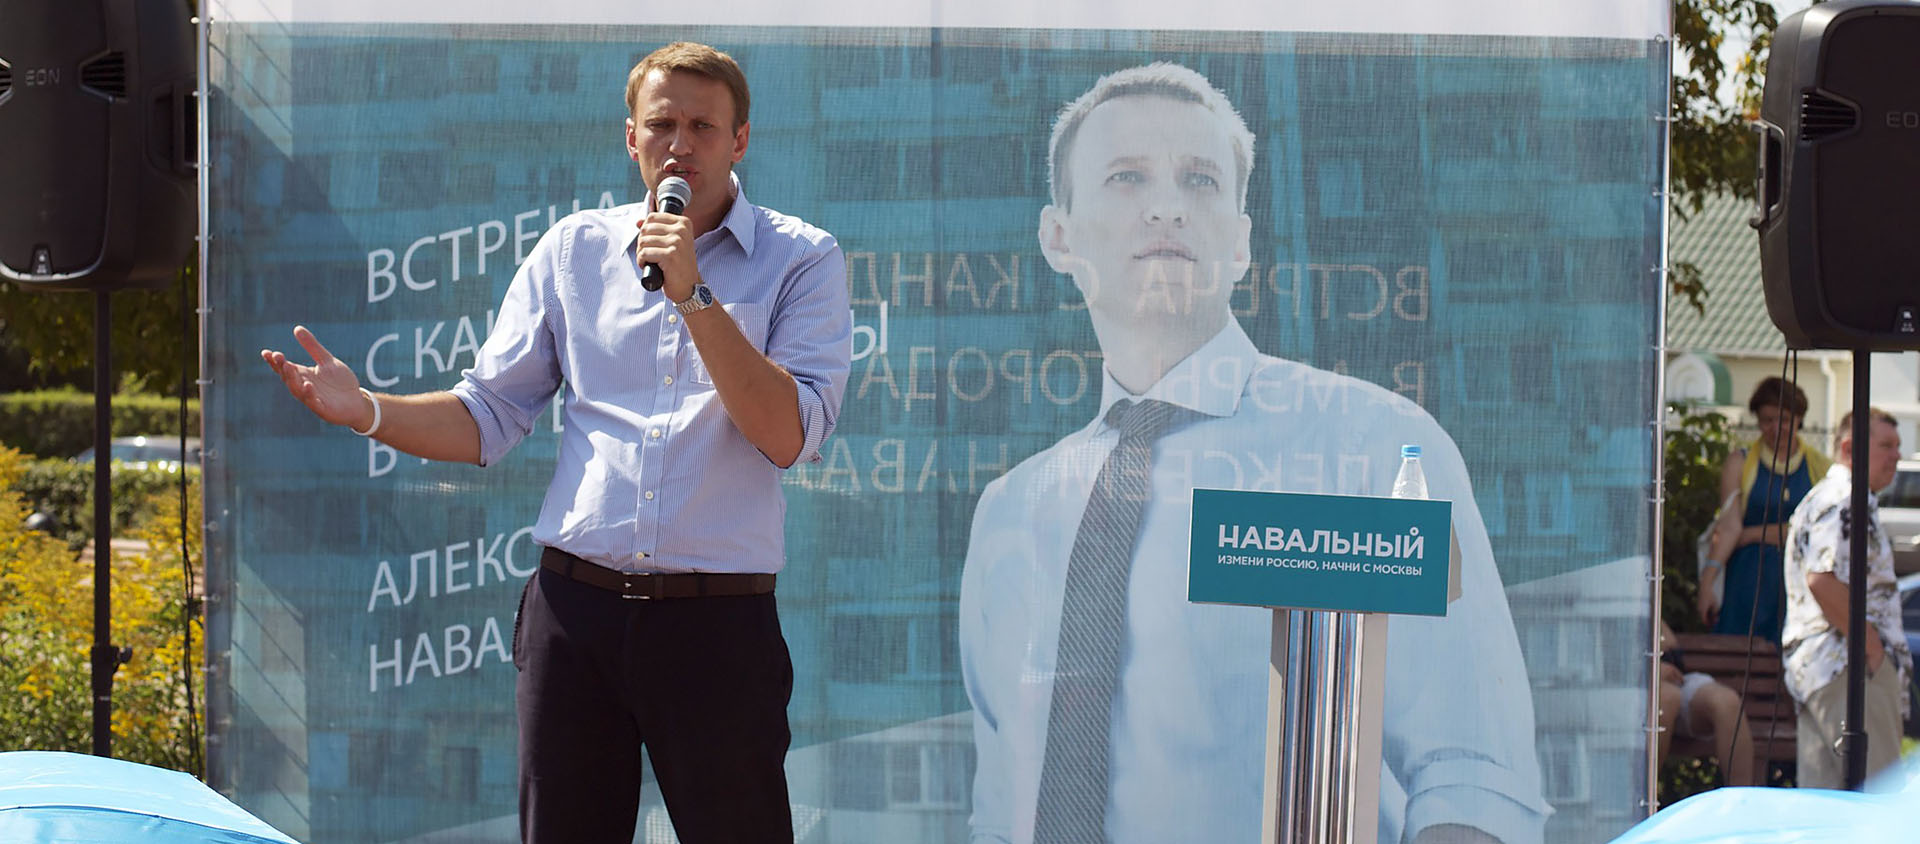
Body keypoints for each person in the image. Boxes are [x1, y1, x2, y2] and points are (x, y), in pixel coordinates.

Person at [260, 42, 850, 843]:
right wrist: (366, 408)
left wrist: (695, 295)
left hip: (717, 627)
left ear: (739, 141)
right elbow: (487, 415)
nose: (682, 144)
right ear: (631, 140)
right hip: (577, 615)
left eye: (704, 127)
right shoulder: (576, 250)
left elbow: (785, 435)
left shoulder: (802, 258)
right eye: (663, 123)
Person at [958, 63, 1547, 844]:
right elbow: (1004, 812)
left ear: (1239, 242)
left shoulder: (1370, 453)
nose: (1166, 204)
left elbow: (1473, 776)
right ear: (1058, 237)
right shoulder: (1013, 512)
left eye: (1200, 180)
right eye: (1127, 177)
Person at [1780, 407, 1913, 789]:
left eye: (1898, 446)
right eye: (1886, 445)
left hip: (1825, 669)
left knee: (1829, 812)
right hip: (1848, 671)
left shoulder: (1829, 497)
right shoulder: (1844, 499)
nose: (1896, 456)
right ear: (1850, 448)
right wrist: (1871, 648)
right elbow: (1822, 579)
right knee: (1873, 803)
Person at [1699, 377, 1831, 641]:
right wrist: (1706, 583)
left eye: (1783, 419)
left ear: (1799, 418)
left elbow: (1813, 533)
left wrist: (1750, 535)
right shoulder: (1740, 462)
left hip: (1799, 583)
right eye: (1766, 420)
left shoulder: (1821, 468)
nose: (1775, 428)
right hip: (1747, 581)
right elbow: (1728, 527)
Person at [1656, 622, 1757, 786]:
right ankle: (1640, 803)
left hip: (1677, 677)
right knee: (1668, 698)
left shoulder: (1642, 599)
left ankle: (1741, 800)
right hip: (1637, 687)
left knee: (1726, 702)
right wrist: (1649, 670)